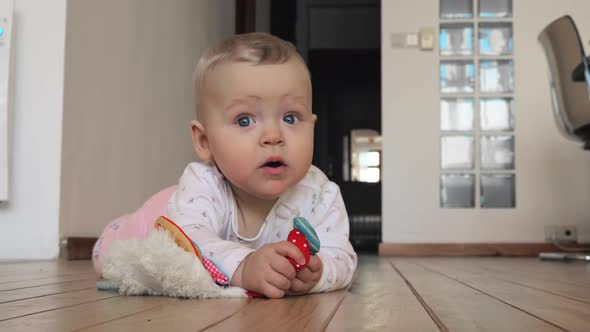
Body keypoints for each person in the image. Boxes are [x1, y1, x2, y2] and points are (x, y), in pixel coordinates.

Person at [93, 32, 357, 299]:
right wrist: (244, 266)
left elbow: (342, 255)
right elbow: (190, 242)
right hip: (165, 216)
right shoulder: (203, 184)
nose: (274, 136)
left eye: (290, 118)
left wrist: (320, 273)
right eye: (245, 120)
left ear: (313, 127)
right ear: (205, 141)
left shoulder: (319, 194)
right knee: (113, 257)